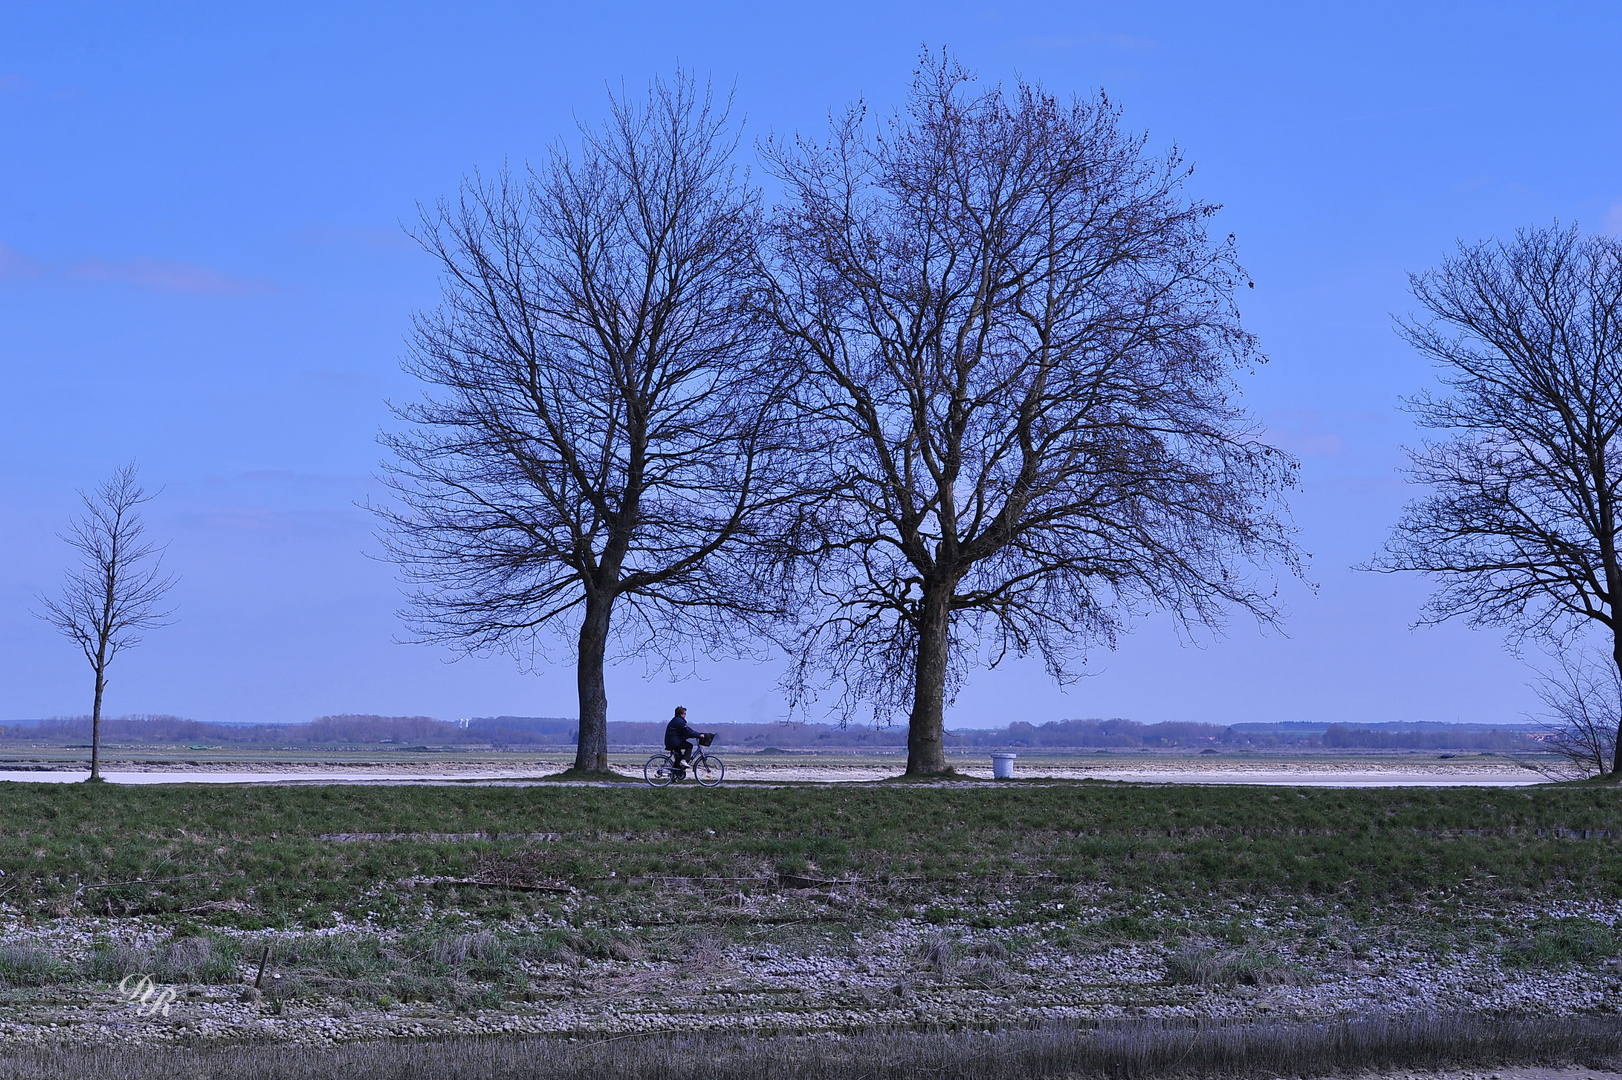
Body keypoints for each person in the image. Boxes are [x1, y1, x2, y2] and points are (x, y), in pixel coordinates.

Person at [664, 706, 703, 778]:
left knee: (678, 758)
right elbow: (688, 731)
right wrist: (698, 735)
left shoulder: (676, 720)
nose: (685, 715)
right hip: (674, 742)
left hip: (672, 741)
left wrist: (693, 735)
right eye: (684, 713)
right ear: (680, 714)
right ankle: (684, 760)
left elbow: (685, 733)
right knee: (689, 746)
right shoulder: (679, 721)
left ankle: (674, 775)